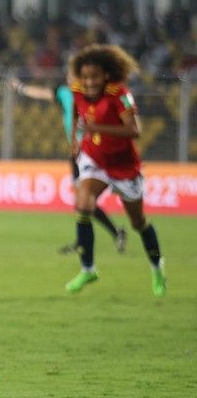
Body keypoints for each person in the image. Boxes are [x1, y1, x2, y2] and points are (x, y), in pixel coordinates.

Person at [63, 44, 167, 296]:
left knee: (138, 222)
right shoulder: (77, 90)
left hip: (124, 166)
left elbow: (135, 130)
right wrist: (77, 141)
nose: (89, 82)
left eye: (94, 77)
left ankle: (157, 266)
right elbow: (77, 112)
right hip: (94, 159)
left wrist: (95, 129)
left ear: (106, 75)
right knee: (83, 203)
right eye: (85, 77)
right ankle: (88, 269)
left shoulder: (119, 94)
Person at [9, 75, 127, 255]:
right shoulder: (65, 93)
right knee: (83, 202)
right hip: (76, 155)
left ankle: (94, 240)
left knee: (85, 201)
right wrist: (21, 88)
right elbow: (44, 93)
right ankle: (102, 236)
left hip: (91, 154)